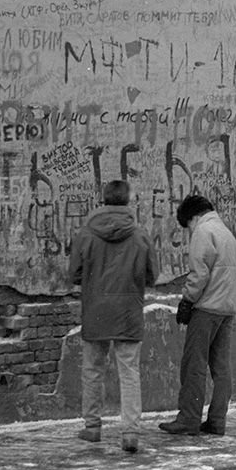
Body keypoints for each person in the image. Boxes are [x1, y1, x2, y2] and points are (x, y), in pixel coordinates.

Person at [69, 179, 159, 454]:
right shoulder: (140, 235)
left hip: (95, 309)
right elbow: (152, 275)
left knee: (92, 369)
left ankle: (92, 427)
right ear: (128, 201)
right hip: (128, 310)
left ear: (103, 200)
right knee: (129, 371)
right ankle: (130, 432)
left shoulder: (86, 234)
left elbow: (74, 274)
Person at [160, 194, 236, 437]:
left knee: (194, 365)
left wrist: (187, 300)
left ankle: (189, 418)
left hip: (206, 308)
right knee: (221, 368)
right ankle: (217, 420)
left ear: (193, 217)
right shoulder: (227, 233)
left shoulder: (203, 232)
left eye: (188, 225)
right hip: (227, 308)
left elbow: (199, 275)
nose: (189, 231)